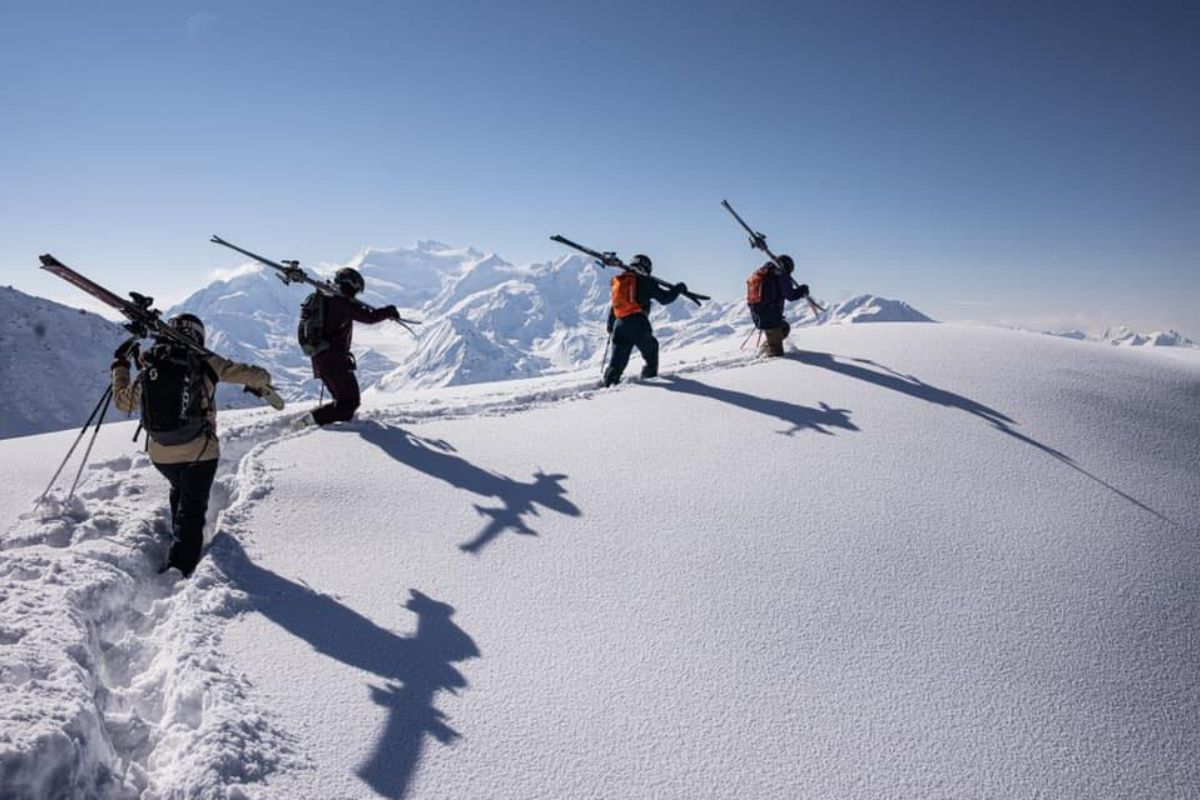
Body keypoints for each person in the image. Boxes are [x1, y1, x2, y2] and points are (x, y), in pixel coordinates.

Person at [111, 313, 276, 577]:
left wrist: (120, 366)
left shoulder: (150, 365)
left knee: (180, 488)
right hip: (201, 451)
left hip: (160, 454)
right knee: (193, 508)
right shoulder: (206, 360)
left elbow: (122, 402)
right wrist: (263, 381)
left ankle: (177, 534)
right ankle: (180, 569)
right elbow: (256, 375)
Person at [298, 267, 400, 426]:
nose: (356, 294)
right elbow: (369, 317)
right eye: (356, 290)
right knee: (349, 403)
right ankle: (308, 422)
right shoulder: (340, 301)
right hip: (334, 360)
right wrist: (389, 311)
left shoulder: (325, 298)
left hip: (321, 359)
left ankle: (312, 420)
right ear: (350, 285)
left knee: (344, 402)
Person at [602, 254, 686, 387]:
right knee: (651, 349)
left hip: (619, 325)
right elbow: (665, 298)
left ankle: (609, 383)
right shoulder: (646, 281)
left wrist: (610, 325)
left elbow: (615, 306)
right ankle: (649, 375)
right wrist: (679, 288)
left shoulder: (621, 281)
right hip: (638, 324)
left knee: (617, 362)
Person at [746, 255, 810, 357]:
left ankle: (766, 348)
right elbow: (790, 295)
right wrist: (802, 291)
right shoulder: (781, 274)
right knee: (777, 355)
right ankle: (768, 360)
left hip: (758, 314)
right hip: (771, 317)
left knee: (784, 328)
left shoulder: (764, 272)